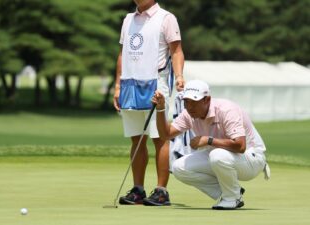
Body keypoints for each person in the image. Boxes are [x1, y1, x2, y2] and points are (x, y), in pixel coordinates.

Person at [152, 80, 270, 210]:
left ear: (206, 100)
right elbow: (166, 134)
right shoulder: (189, 113)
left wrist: (208, 140)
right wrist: (160, 109)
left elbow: (240, 146)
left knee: (217, 154)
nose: (189, 107)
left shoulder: (227, 110)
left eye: (194, 102)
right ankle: (230, 192)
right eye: (186, 102)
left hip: (252, 159)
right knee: (178, 167)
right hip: (222, 157)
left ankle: (231, 198)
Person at [113, 0, 185, 206]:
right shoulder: (128, 20)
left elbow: (177, 51)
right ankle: (138, 190)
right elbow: (122, 53)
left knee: (160, 138)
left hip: (156, 83)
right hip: (129, 84)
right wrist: (117, 85)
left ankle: (161, 191)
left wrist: (179, 76)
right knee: (137, 139)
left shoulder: (166, 18)